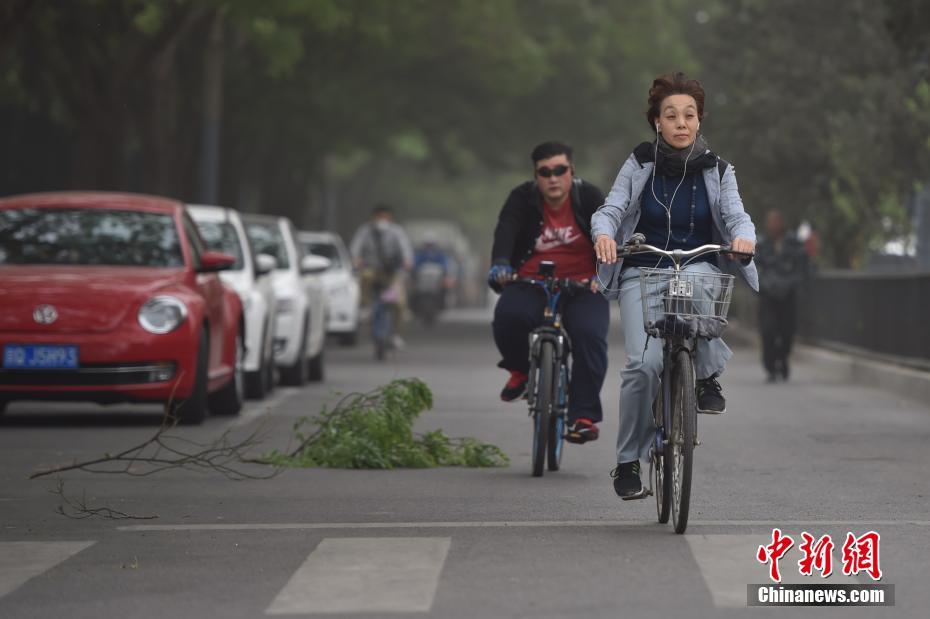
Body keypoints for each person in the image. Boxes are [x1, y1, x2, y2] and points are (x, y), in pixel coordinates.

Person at [591, 73, 758, 498]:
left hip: (696, 264)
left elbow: (736, 215)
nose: (681, 123)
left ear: (699, 121)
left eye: (689, 115)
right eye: (671, 116)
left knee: (705, 284)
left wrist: (744, 237)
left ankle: (703, 375)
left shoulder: (719, 169)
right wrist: (604, 235)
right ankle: (628, 462)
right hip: (643, 269)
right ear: (657, 122)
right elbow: (611, 209)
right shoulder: (639, 163)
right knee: (642, 367)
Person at [488, 141, 609, 444]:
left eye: (559, 170)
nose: (553, 178)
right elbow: (506, 229)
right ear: (536, 176)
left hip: (583, 285)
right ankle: (520, 371)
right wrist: (501, 264)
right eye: (545, 172)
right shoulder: (522, 198)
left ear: (571, 172)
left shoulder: (590, 197)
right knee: (507, 317)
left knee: (590, 336)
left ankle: (583, 416)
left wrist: (604, 275)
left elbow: (610, 235)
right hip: (531, 282)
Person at [350, 204, 414, 347]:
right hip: (372, 270)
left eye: (385, 216)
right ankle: (366, 306)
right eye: (379, 216)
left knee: (398, 303)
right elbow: (355, 249)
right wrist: (357, 259)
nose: (382, 219)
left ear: (390, 217)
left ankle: (397, 335)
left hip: (392, 273)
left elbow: (406, 249)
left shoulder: (397, 232)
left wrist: (407, 262)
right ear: (373, 217)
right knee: (364, 277)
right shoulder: (364, 231)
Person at [755, 209, 807, 382]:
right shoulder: (762, 243)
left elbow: (802, 268)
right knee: (768, 331)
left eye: (776, 221)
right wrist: (763, 286)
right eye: (771, 221)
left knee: (787, 332)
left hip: (788, 295)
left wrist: (791, 284)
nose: (774, 225)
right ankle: (771, 368)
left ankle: (783, 358)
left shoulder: (794, 243)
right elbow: (754, 268)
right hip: (768, 295)